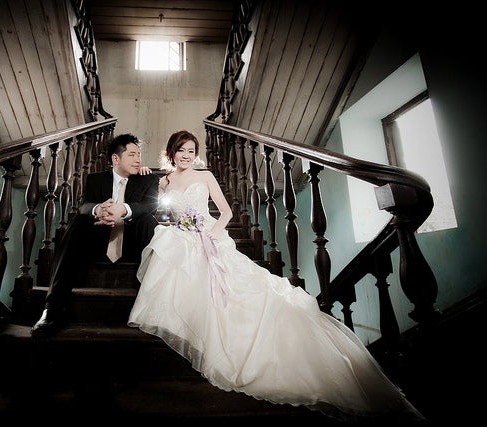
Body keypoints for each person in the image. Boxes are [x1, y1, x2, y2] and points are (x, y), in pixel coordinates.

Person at [127, 130, 425, 422]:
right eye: (182, 150)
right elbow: (162, 215)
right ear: (171, 152)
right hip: (182, 237)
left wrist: (209, 238)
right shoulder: (164, 182)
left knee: (242, 294)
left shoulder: (205, 176)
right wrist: (175, 224)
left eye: (192, 151)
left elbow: (227, 214)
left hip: (210, 238)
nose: (187, 156)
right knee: (171, 257)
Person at [32, 133, 159, 337]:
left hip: (133, 244)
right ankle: (52, 309)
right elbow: (84, 205)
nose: (138, 159)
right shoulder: (95, 179)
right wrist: (98, 209)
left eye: (139, 155)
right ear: (115, 159)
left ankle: (154, 307)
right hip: (99, 242)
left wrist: (123, 210)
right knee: (79, 220)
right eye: (133, 154)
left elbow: (150, 205)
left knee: (149, 221)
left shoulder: (148, 179)